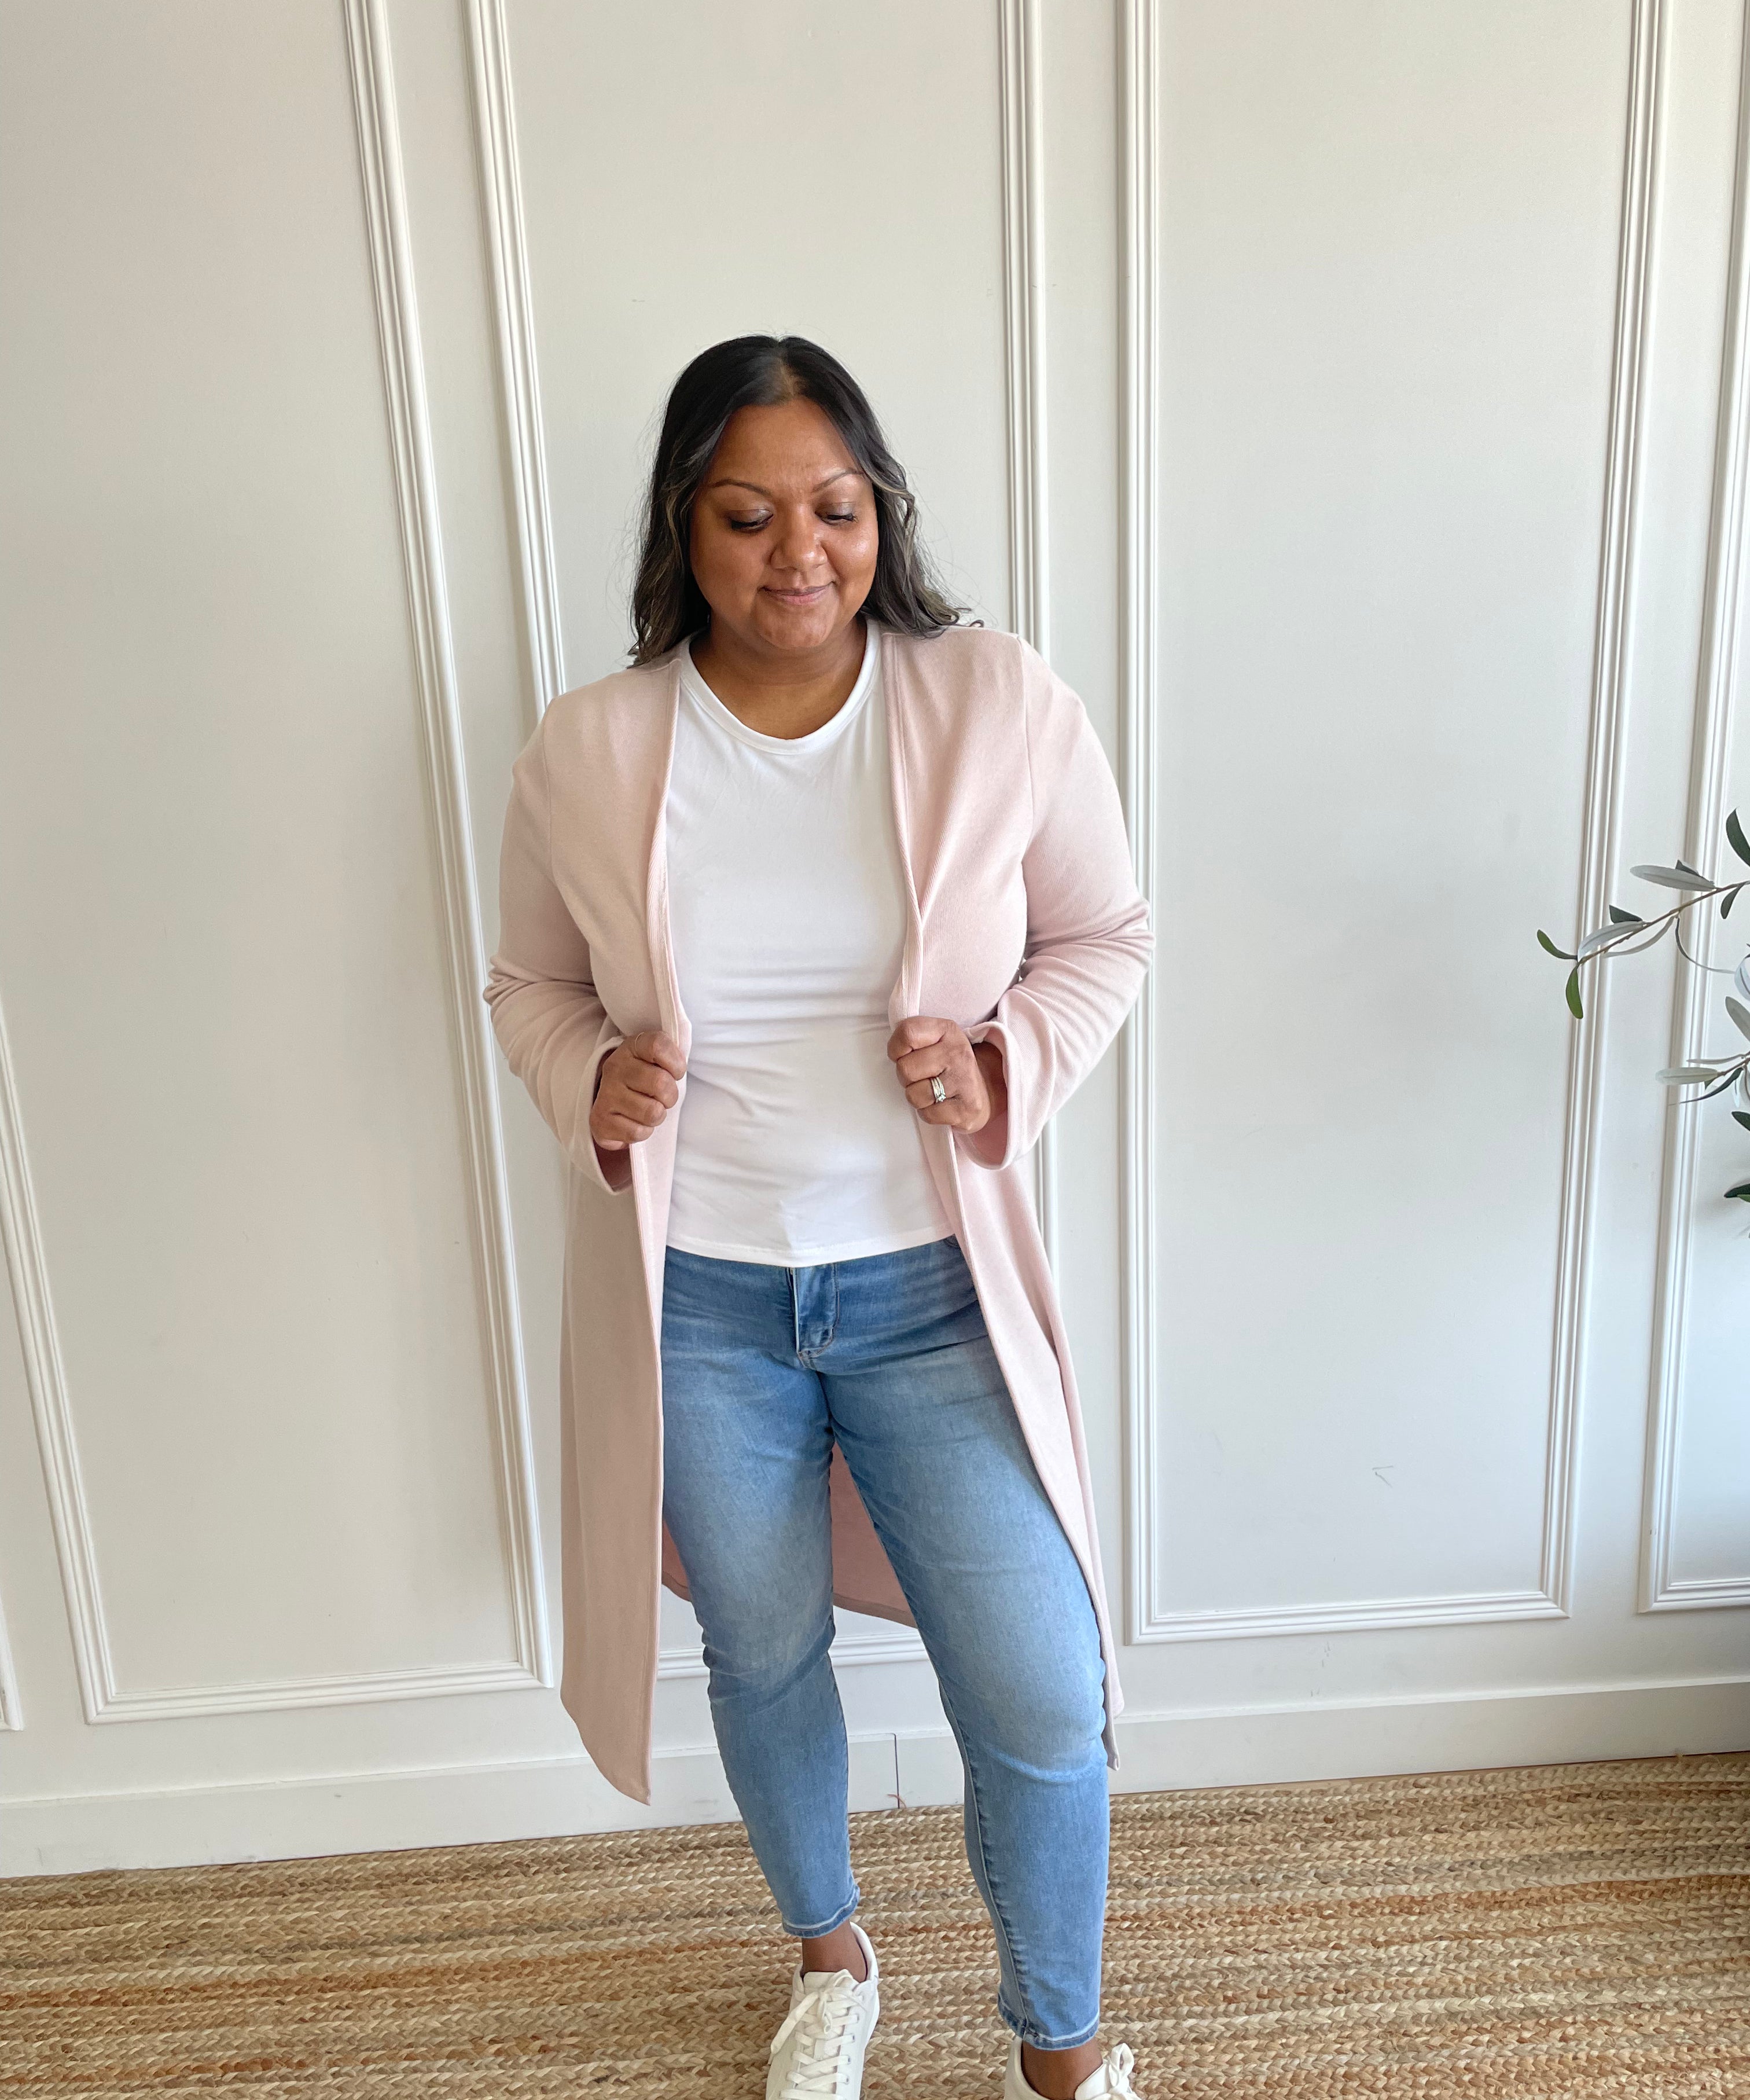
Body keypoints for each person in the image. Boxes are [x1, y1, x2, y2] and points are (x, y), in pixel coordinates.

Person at [484, 335, 1153, 2100]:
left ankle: (1067, 2048)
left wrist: (1003, 1059)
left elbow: (1108, 937)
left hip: (934, 1296)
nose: (802, 548)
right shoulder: (593, 745)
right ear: (684, 531)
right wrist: (592, 1083)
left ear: (882, 513)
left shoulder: (994, 699)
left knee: (1042, 1688)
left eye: (838, 506)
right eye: (750, 511)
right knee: (760, 1645)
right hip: (697, 1301)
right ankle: (830, 1957)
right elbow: (528, 986)